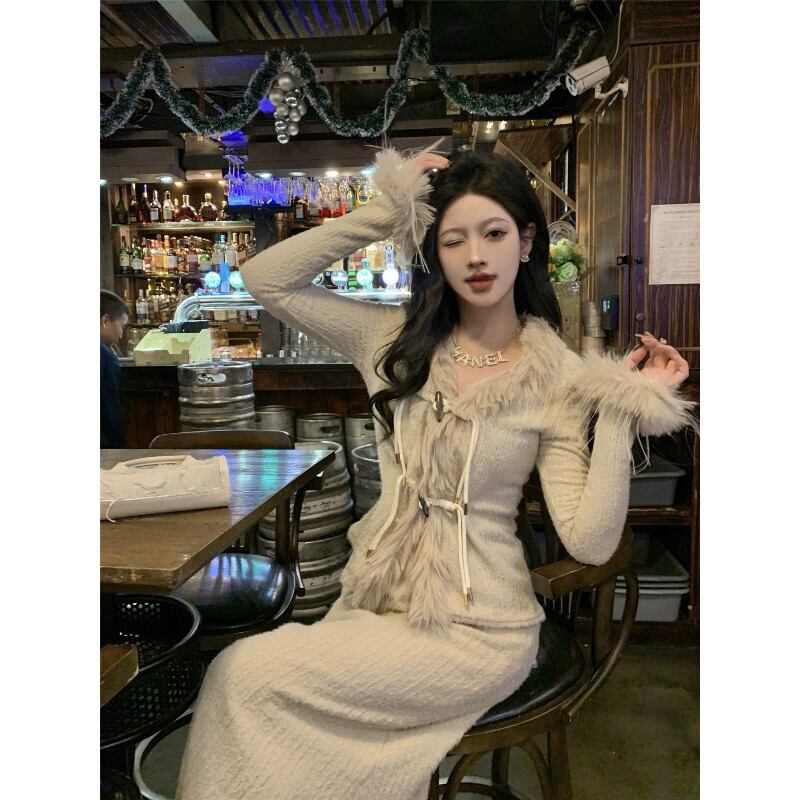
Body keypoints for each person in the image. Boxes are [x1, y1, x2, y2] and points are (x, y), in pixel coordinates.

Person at [177, 141, 694, 800]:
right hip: (378, 601)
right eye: (453, 239)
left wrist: (621, 410)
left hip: (481, 628)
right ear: (434, 252)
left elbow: (590, 543)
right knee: (267, 713)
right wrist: (387, 208)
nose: (475, 256)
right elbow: (265, 279)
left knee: (241, 674)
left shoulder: (560, 376)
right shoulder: (389, 341)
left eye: (493, 233)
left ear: (526, 242)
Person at [100, 289, 128, 448]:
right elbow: (111, 414)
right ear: (105, 321)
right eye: (122, 326)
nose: (121, 334)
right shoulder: (104, 355)